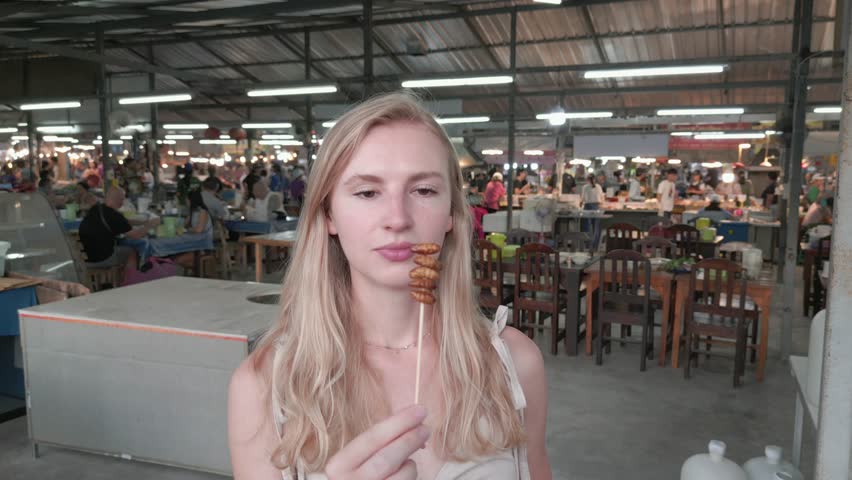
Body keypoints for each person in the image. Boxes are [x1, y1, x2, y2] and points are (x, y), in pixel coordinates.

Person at [227, 93, 549, 480]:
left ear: (450, 214)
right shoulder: (264, 386)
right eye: (367, 192)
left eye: (424, 190)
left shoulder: (513, 363)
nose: (397, 218)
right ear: (328, 214)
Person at [79, 187, 157, 272]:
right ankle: (131, 281)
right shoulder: (114, 215)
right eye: (122, 200)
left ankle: (124, 277)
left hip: (86, 258)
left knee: (124, 246)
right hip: (102, 258)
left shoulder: (97, 209)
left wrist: (144, 222)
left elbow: (124, 222)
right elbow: (136, 235)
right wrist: (150, 225)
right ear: (119, 200)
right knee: (131, 251)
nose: (122, 203)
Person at [581, 173, 605, 246]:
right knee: (596, 227)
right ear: (595, 179)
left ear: (587, 179)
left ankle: (587, 245)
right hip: (596, 206)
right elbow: (602, 198)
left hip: (587, 207)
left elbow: (582, 198)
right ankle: (595, 245)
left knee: (586, 227)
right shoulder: (598, 186)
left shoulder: (585, 187)